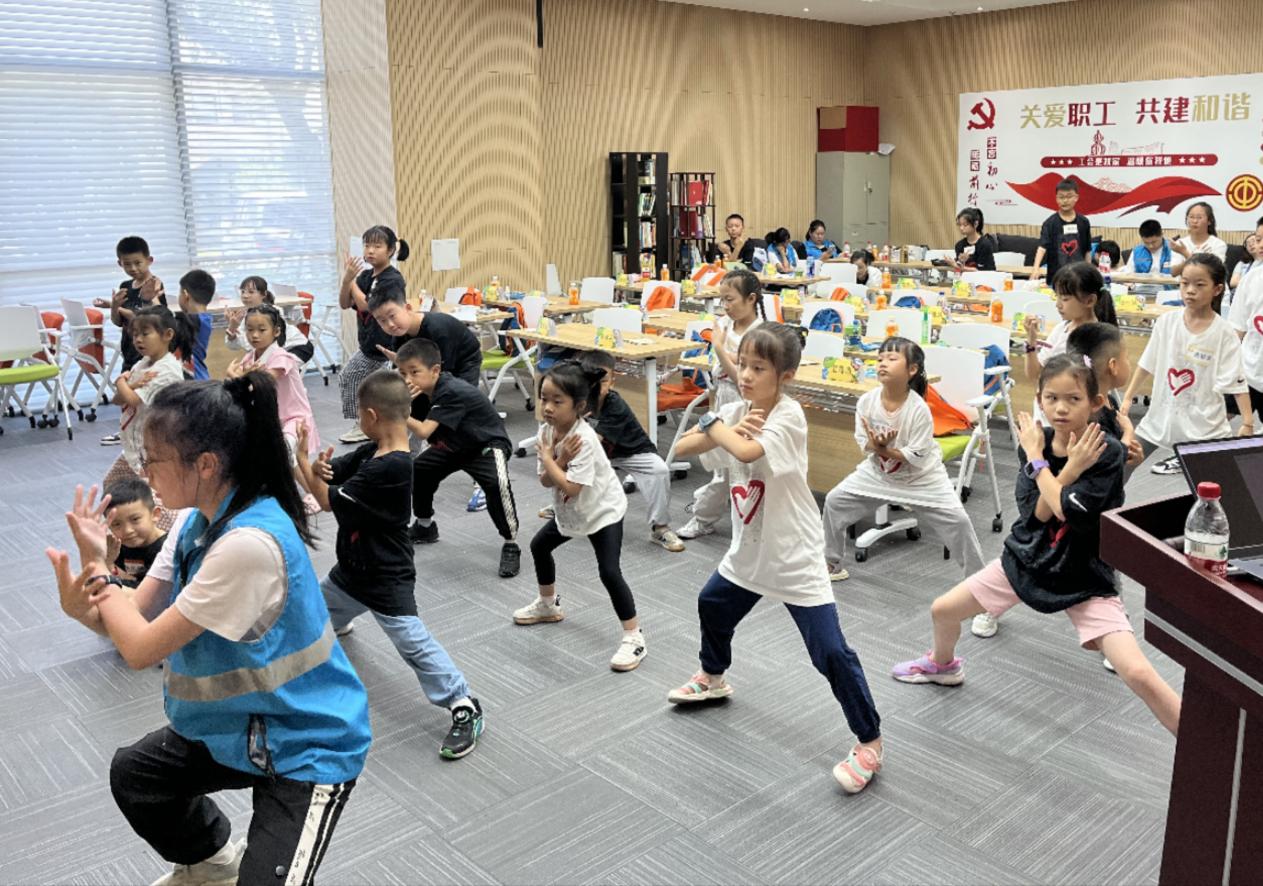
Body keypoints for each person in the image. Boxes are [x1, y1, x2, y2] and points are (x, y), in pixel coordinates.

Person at [46, 373, 372, 884]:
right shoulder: (195, 520)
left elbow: (139, 648)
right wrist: (86, 602)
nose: (143, 470)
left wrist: (99, 572)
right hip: (241, 728)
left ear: (205, 464)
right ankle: (211, 865)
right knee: (138, 776)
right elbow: (135, 614)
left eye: (153, 458)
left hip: (306, 744)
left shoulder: (247, 545)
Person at [891, 355, 1182, 739]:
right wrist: (1060, 467)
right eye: (1052, 398)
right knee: (942, 610)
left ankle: (1199, 745)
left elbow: (1064, 509)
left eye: (1073, 399)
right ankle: (943, 665)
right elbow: (1038, 514)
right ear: (1040, 399)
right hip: (1028, 558)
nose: (1061, 408)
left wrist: (1041, 463)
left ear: (1095, 402)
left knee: (1139, 672)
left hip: (1083, 574)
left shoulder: (1106, 451)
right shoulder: (1035, 443)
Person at [666, 324, 885, 794]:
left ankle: (870, 740)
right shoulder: (734, 412)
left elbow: (744, 449)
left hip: (794, 554)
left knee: (830, 651)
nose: (745, 375)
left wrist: (716, 427)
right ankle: (713, 677)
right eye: (742, 364)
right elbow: (680, 448)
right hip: (750, 549)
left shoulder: (789, 417)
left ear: (784, 376)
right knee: (712, 604)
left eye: (758, 368)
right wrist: (718, 428)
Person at [294, 373, 485, 760]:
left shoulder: (392, 467)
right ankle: (340, 621)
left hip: (385, 576)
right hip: (352, 572)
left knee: (413, 644)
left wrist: (299, 463)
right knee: (307, 613)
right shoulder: (374, 451)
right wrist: (318, 470)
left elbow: (327, 501)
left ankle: (463, 703)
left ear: (371, 415)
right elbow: (333, 474)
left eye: (359, 416)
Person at [512, 361, 645, 673]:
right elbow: (546, 480)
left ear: (580, 406)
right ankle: (548, 605)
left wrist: (550, 458)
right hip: (572, 509)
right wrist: (557, 459)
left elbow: (571, 485)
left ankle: (634, 636)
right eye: (544, 398)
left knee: (609, 572)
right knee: (539, 546)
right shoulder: (546, 431)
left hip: (602, 511)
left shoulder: (583, 439)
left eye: (558, 401)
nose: (547, 407)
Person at [822, 337, 985, 583]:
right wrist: (877, 446)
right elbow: (864, 444)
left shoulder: (918, 409)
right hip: (879, 474)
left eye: (891, 358)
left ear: (912, 369)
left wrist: (883, 449)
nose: (882, 363)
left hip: (921, 478)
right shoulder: (867, 402)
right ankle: (832, 563)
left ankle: (980, 584)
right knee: (835, 501)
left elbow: (916, 457)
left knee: (959, 522)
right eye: (880, 358)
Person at [394, 338, 522, 578]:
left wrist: (396, 410)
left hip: (485, 445)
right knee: (420, 470)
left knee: (497, 484)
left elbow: (423, 431)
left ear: (435, 371)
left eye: (414, 372)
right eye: (402, 373)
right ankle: (425, 526)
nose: (407, 379)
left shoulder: (451, 391)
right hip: (453, 444)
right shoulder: (419, 390)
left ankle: (511, 543)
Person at [1122, 254, 1251, 474]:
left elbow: (1236, 381)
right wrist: (1127, 397)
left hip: (1205, 427)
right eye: (1184, 283)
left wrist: (1247, 422)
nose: (1190, 290)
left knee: (1213, 482)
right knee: (1123, 465)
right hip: (1160, 418)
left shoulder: (1224, 332)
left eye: (1199, 285)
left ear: (1217, 289)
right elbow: (1147, 362)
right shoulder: (1166, 322)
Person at [677, 270, 765, 539]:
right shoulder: (725, 325)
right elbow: (720, 370)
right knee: (721, 465)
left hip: (747, 403)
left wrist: (719, 349)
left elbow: (743, 380)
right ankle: (706, 516)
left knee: (737, 466)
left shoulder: (761, 333)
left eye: (730, 299)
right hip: (723, 397)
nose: (725, 306)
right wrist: (726, 356)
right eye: (722, 300)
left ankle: (708, 516)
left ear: (751, 299)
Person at [573, 350, 686, 553]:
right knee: (567, 456)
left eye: (603, 381)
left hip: (630, 451)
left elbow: (594, 442)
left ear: (612, 382)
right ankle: (565, 507)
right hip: (599, 453)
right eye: (590, 381)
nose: (596, 387)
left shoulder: (614, 404)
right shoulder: (574, 399)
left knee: (659, 470)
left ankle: (660, 528)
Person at [100, 306, 187, 531]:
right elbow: (117, 399)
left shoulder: (167, 369)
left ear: (167, 335)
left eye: (145, 333)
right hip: (134, 444)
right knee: (112, 486)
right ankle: (122, 533)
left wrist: (122, 381)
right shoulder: (143, 363)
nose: (138, 339)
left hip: (154, 448)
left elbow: (130, 397)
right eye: (135, 334)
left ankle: (166, 540)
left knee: (158, 501)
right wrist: (125, 385)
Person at [226, 304, 321, 508]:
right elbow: (242, 385)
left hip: (295, 418)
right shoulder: (250, 357)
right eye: (250, 329)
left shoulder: (281, 357)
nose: (254, 335)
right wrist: (238, 377)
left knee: (287, 454)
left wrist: (239, 377)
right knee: (284, 458)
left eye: (261, 330)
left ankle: (312, 494)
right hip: (273, 418)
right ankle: (305, 493)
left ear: (276, 331)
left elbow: (262, 382)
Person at [338, 225, 409, 444]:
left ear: (390, 250)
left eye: (377, 246)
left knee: (350, 377)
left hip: (384, 342)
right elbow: (345, 303)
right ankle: (372, 423)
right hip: (369, 343)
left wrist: (351, 281)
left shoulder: (392, 279)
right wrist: (347, 280)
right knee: (373, 387)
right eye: (367, 245)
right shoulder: (366, 276)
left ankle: (363, 424)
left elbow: (368, 305)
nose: (370, 250)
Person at [1022, 261, 1117, 382]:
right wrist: (1031, 341)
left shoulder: (1098, 337)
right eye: (1056, 297)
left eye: (1065, 299)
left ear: (1090, 301)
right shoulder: (1061, 329)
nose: (1058, 305)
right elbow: (1034, 374)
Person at [1066, 322, 1143, 469]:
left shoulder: (1110, 400)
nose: (1129, 363)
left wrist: (1132, 454)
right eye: (1126, 358)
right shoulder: (1089, 415)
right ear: (1113, 366)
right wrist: (1128, 433)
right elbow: (1108, 458)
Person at [369, 288, 482, 385]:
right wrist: (400, 364)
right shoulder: (399, 334)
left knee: (452, 395)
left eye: (392, 316)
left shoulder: (437, 330)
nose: (390, 324)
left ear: (408, 308)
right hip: (429, 367)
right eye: (382, 321)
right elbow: (403, 374)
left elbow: (442, 375)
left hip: (462, 361)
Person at [95, 236, 167, 384]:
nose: (133, 268)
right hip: (129, 348)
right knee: (127, 389)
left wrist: (116, 307)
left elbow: (153, 320)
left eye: (138, 263)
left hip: (148, 352)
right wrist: (115, 307)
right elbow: (118, 322)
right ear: (119, 263)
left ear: (149, 260)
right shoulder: (125, 286)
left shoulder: (154, 285)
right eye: (127, 264)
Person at [225, 275, 313, 364]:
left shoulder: (272, 312)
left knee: (270, 369)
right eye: (243, 292)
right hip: (276, 351)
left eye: (251, 292)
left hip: (297, 348)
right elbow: (234, 346)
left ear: (263, 294)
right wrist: (232, 328)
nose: (245, 296)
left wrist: (236, 333)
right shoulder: (248, 314)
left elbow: (256, 343)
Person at [1227, 217, 1263, 427]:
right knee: (1221, 416)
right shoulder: (1251, 279)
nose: (1260, 245)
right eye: (1258, 239)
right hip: (1249, 369)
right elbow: (1237, 328)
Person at [103, 478, 168, 590]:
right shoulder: (116, 546)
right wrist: (107, 561)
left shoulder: (168, 549)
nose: (127, 530)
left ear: (155, 514)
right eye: (117, 524)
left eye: (135, 519)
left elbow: (153, 592)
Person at [1032, 178, 1092, 281]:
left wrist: (1089, 272)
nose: (1065, 200)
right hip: (1056, 277)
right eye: (1061, 197)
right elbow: (1042, 247)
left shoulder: (1084, 222)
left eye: (1069, 196)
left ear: (1076, 197)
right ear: (1056, 199)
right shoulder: (1050, 223)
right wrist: (1035, 269)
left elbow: (1087, 250)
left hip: (1079, 277)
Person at [176, 269, 215, 381]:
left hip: (195, 380)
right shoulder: (204, 318)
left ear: (185, 295)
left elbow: (162, 323)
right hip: (199, 378)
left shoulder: (195, 320)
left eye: (179, 293)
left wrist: (154, 300)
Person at [1170, 201, 1227, 273]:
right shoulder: (1180, 244)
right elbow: (1173, 272)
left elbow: (1215, 271)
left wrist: (1185, 253)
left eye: (1199, 217)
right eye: (1191, 217)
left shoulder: (1218, 244)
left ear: (1209, 221)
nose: (1195, 221)